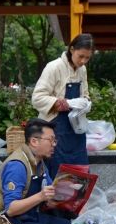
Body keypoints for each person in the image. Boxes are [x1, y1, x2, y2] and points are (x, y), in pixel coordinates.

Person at [0, 118, 70, 224]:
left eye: (55, 140)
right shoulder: (17, 166)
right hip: (10, 223)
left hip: (28, 217)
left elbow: (49, 191)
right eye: (51, 140)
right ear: (34, 141)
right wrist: (41, 197)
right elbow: (11, 209)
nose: (54, 145)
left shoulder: (40, 162)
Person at [31, 33, 94, 178]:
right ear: (72, 49)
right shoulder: (53, 67)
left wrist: (86, 102)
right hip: (55, 129)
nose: (83, 61)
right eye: (81, 56)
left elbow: (85, 94)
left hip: (76, 130)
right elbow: (37, 98)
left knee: (78, 173)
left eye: (87, 58)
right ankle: (52, 201)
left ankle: (76, 201)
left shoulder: (82, 70)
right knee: (56, 172)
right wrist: (61, 103)